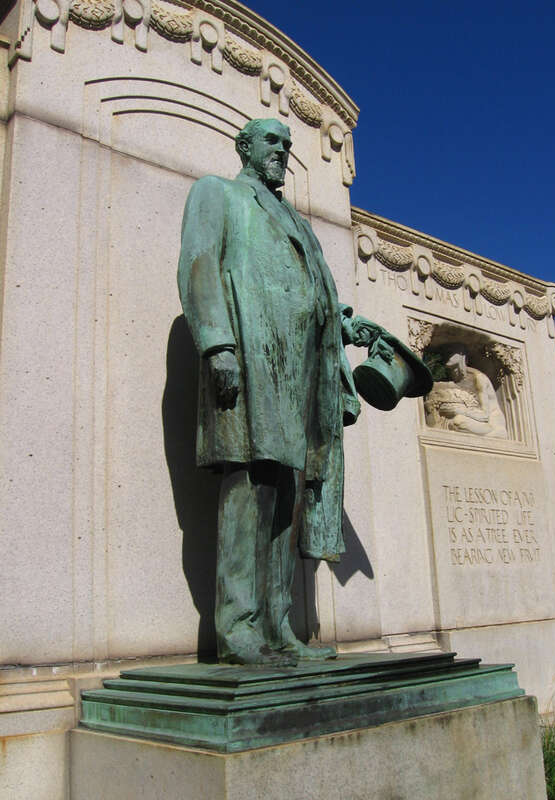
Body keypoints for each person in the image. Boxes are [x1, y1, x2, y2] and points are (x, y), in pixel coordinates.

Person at [177, 118, 364, 666]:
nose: (282, 150)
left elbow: (315, 292)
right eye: (271, 141)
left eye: (287, 143)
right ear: (245, 147)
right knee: (247, 485)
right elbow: (199, 266)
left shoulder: (295, 221)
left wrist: (343, 326)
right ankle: (238, 629)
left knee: (286, 492)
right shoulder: (219, 193)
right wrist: (217, 346)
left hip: (298, 375)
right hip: (249, 361)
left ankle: (280, 627)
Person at [424, 349, 508, 438]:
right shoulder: (452, 380)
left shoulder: (478, 378)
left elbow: (485, 415)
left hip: (492, 423)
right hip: (472, 419)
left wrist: (460, 411)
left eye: (451, 351)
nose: (446, 355)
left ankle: (497, 435)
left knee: (458, 422)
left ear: (462, 355)